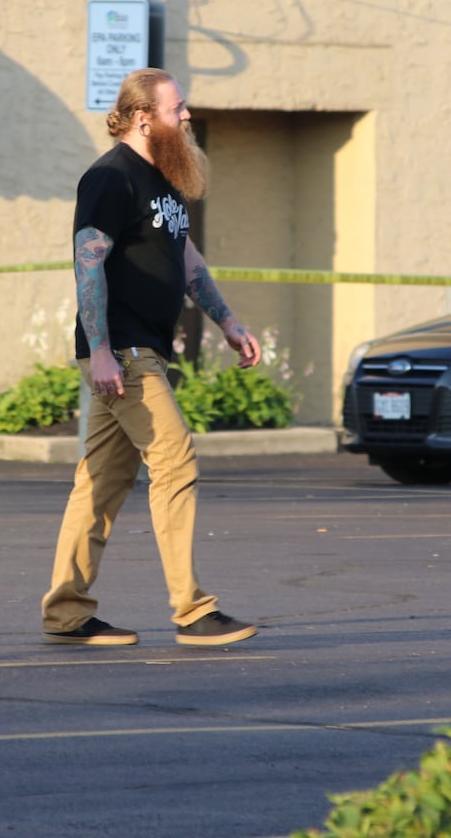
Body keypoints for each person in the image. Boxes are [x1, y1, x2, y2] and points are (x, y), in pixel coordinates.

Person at [40, 68, 263, 647]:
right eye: (177, 108)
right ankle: (193, 611)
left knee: (100, 482)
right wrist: (100, 351)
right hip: (124, 352)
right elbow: (88, 264)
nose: (186, 116)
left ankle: (66, 611)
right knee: (175, 459)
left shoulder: (161, 179)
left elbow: (185, 256)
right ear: (144, 117)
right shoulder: (109, 179)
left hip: (142, 350)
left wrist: (229, 322)